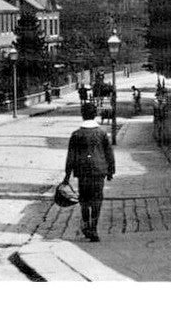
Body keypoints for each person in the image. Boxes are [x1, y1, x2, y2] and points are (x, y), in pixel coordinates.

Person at [62, 102, 115, 242]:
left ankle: (86, 225)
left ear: (82, 115)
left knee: (84, 199)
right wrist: (110, 171)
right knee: (97, 199)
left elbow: (71, 156)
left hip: (83, 171)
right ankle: (94, 228)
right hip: (99, 171)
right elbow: (109, 153)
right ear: (95, 114)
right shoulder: (101, 133)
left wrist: (67, 176)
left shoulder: (76, 134)